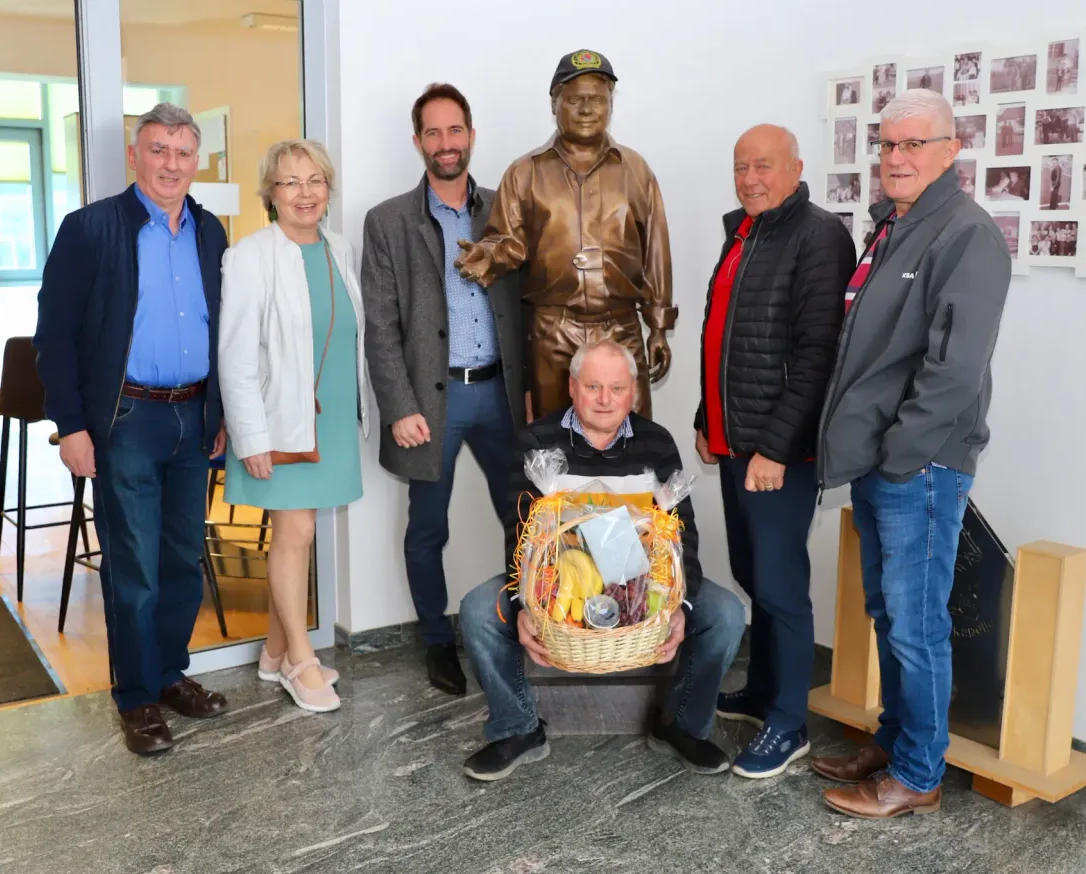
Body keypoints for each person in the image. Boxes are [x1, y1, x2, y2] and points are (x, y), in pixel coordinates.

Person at [812, 89, 1011, 818]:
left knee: (917, 622)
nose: (897, 158)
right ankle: (894, 745)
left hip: (918, 467)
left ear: (950, 150)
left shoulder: (968, 234)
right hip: (882, 461)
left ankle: (919, 776)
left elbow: (954, 369)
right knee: (890, 616)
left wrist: (901, 453)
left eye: (913, 144)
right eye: (888, 145)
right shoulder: (895, 225)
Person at [33, 103, 231, 755]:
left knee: (180, 559)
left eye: (182, 152)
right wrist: (71, 426)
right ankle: (136, 698)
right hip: (126, 420)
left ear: (194, 160)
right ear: (134, 156)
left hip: (193, 416)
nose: (171, 164)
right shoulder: (91, 230)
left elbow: (222, 330)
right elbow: (55, 337)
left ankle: (170, 675)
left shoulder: (209, 234)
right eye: (158, 150)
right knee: (134, 567)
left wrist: (222, 414)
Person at [458, 339, 745, 781]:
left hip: (643, 583)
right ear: (572, 387)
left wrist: (679, 607)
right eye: (593, 386)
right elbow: (521, 535)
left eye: (616, 387)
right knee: (478, 609)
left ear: (633, 390)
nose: (605, 399)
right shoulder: (538, 442)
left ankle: (681, 724)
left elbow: (681, 532)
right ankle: (517, 729)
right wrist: (522, 605)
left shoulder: (656, 441)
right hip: (556, 582)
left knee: (725, 613)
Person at [694, 125, 855, 778]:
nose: (751, 178)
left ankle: (788, 725)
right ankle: (762, 692)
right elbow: (722, 336)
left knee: (782, 587)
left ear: (796, 168)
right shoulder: (745, 233)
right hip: (736, 445)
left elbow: (818, 355)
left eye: (764, 166)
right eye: (740, 167)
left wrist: (777, 449)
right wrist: (709, 418)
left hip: (775, 455)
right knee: (753, 573)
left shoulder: (818, 237)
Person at [361, 83, 524, 695]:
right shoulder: (389, 222)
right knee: (427, 528)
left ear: (471, 135)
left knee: (526, 519)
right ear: (418, 142)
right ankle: (436, 641)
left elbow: (525, 306)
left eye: (455, 131)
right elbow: (381, 326)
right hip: (433, 404)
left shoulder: (504, 214)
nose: (446, 143)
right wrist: (400, 407)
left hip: (501, 396)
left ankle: (516, 629)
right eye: (433, 132)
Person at [218, 139, 369, 713]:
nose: (304, 193)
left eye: (315, 181)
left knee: (299, 535)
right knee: (297, 535)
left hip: (329, 418)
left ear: (327, 190)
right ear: (270, 194)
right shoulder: (251, 254)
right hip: (278, 419)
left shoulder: (338, 247)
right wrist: (252, 436)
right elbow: (235, 354)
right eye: (289, 183)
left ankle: (274, 653)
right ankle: (301, 662)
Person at [454, 49, 676, 419]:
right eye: (574, 100)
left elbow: (656, 250)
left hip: (620, 326)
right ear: (554, 104)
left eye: (597, 99)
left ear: (610, 104)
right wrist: (489, 255)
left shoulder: (635, 171)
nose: (586, 109)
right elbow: (508, 240)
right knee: (555, 445)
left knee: (631, 442)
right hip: (554, 333)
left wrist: (658, 327)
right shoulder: (525, 172)